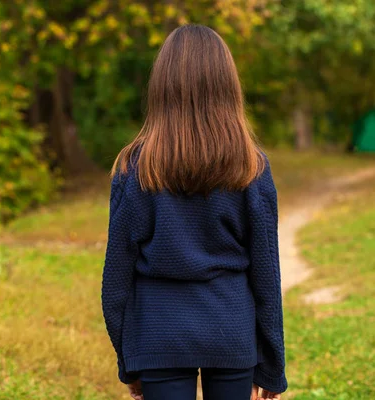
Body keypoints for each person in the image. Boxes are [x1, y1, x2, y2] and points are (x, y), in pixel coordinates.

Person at [101, 24, 287, 400]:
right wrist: (271, 368)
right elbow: (266, 277)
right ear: (228, 87)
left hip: (158, 336)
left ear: (161, 88)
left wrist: (130, 361)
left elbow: (115, 282)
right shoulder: (251, 168)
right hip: (230, 332)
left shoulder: (133, 169)